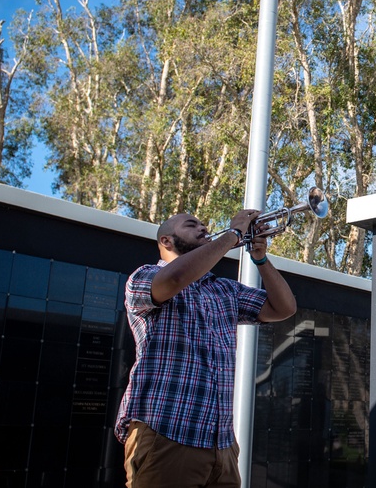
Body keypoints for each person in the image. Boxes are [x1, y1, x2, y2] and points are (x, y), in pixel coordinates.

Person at [115, 208, 297, 488]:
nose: (202, 228)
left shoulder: (224, 289)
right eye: (191, 225)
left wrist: (260, 259)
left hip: (221, 444)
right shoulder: (144, 277)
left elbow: (284, 308)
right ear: (166, 241)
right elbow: (174, 280)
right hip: (166, 432)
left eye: (203, 224)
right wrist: (233, 235)